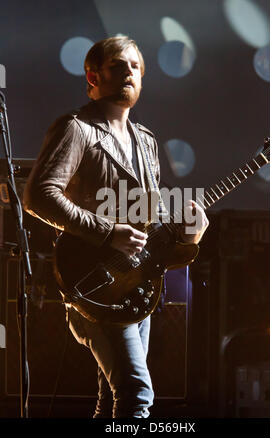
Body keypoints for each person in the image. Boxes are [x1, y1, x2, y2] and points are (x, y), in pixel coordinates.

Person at [23, 36, 209, 418]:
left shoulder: (146, 142)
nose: (129, 72)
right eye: (118, 65)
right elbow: (39, 196)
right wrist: (107, 232)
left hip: (134, 284)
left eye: (135, 67)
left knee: (113, 399)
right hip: (91, 283)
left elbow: (149, 228)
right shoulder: (76, 128)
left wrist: (191, 233)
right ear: (92, 76)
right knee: (137, 394)